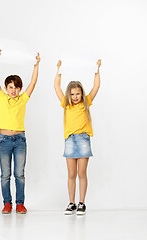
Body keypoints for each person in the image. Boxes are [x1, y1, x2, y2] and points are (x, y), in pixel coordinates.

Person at [0, 49, 40, 214]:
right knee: (5, 174)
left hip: (19, 140)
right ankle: (7, 203)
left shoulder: (22, 99)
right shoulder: (2, 97)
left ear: (20, 89)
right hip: (4, 140)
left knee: (19, 173)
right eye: (10, 87)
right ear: (6, 88)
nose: (13, 90)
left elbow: (33, 83)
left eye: (16, 87)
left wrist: (36, 65)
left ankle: (20, 203)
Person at [54, 59, 101, 215]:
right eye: (72, 94)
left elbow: (96, 86)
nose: (75, 97)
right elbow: (56, 86)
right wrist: (58, 70)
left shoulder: (86, 102)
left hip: (83, 140)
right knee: (71, 174)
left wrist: (96, 69)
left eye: (77, 94)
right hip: (70, 140)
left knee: (82, 173)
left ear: (81, 94)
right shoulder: (66, 104)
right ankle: (71, 203)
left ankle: (82, 203)